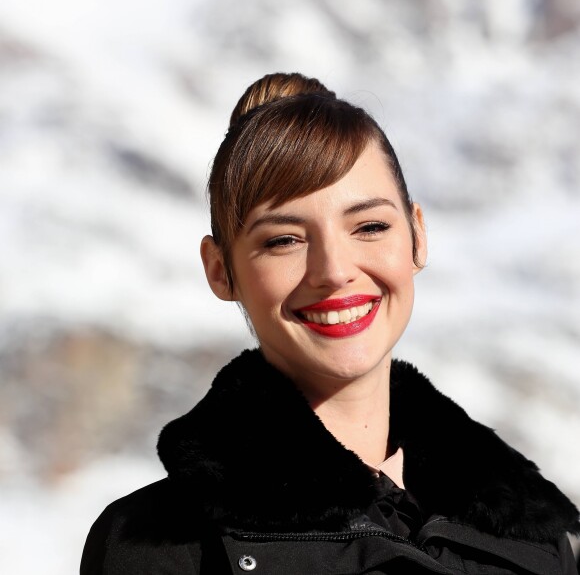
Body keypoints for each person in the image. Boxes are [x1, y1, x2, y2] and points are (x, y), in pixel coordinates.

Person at [81, 72, 580, 574]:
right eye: (283, 240)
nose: (334, 271)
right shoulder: (158, 547)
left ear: (417, 236)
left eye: (369, 227)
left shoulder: (535, 538)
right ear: (220, 270)